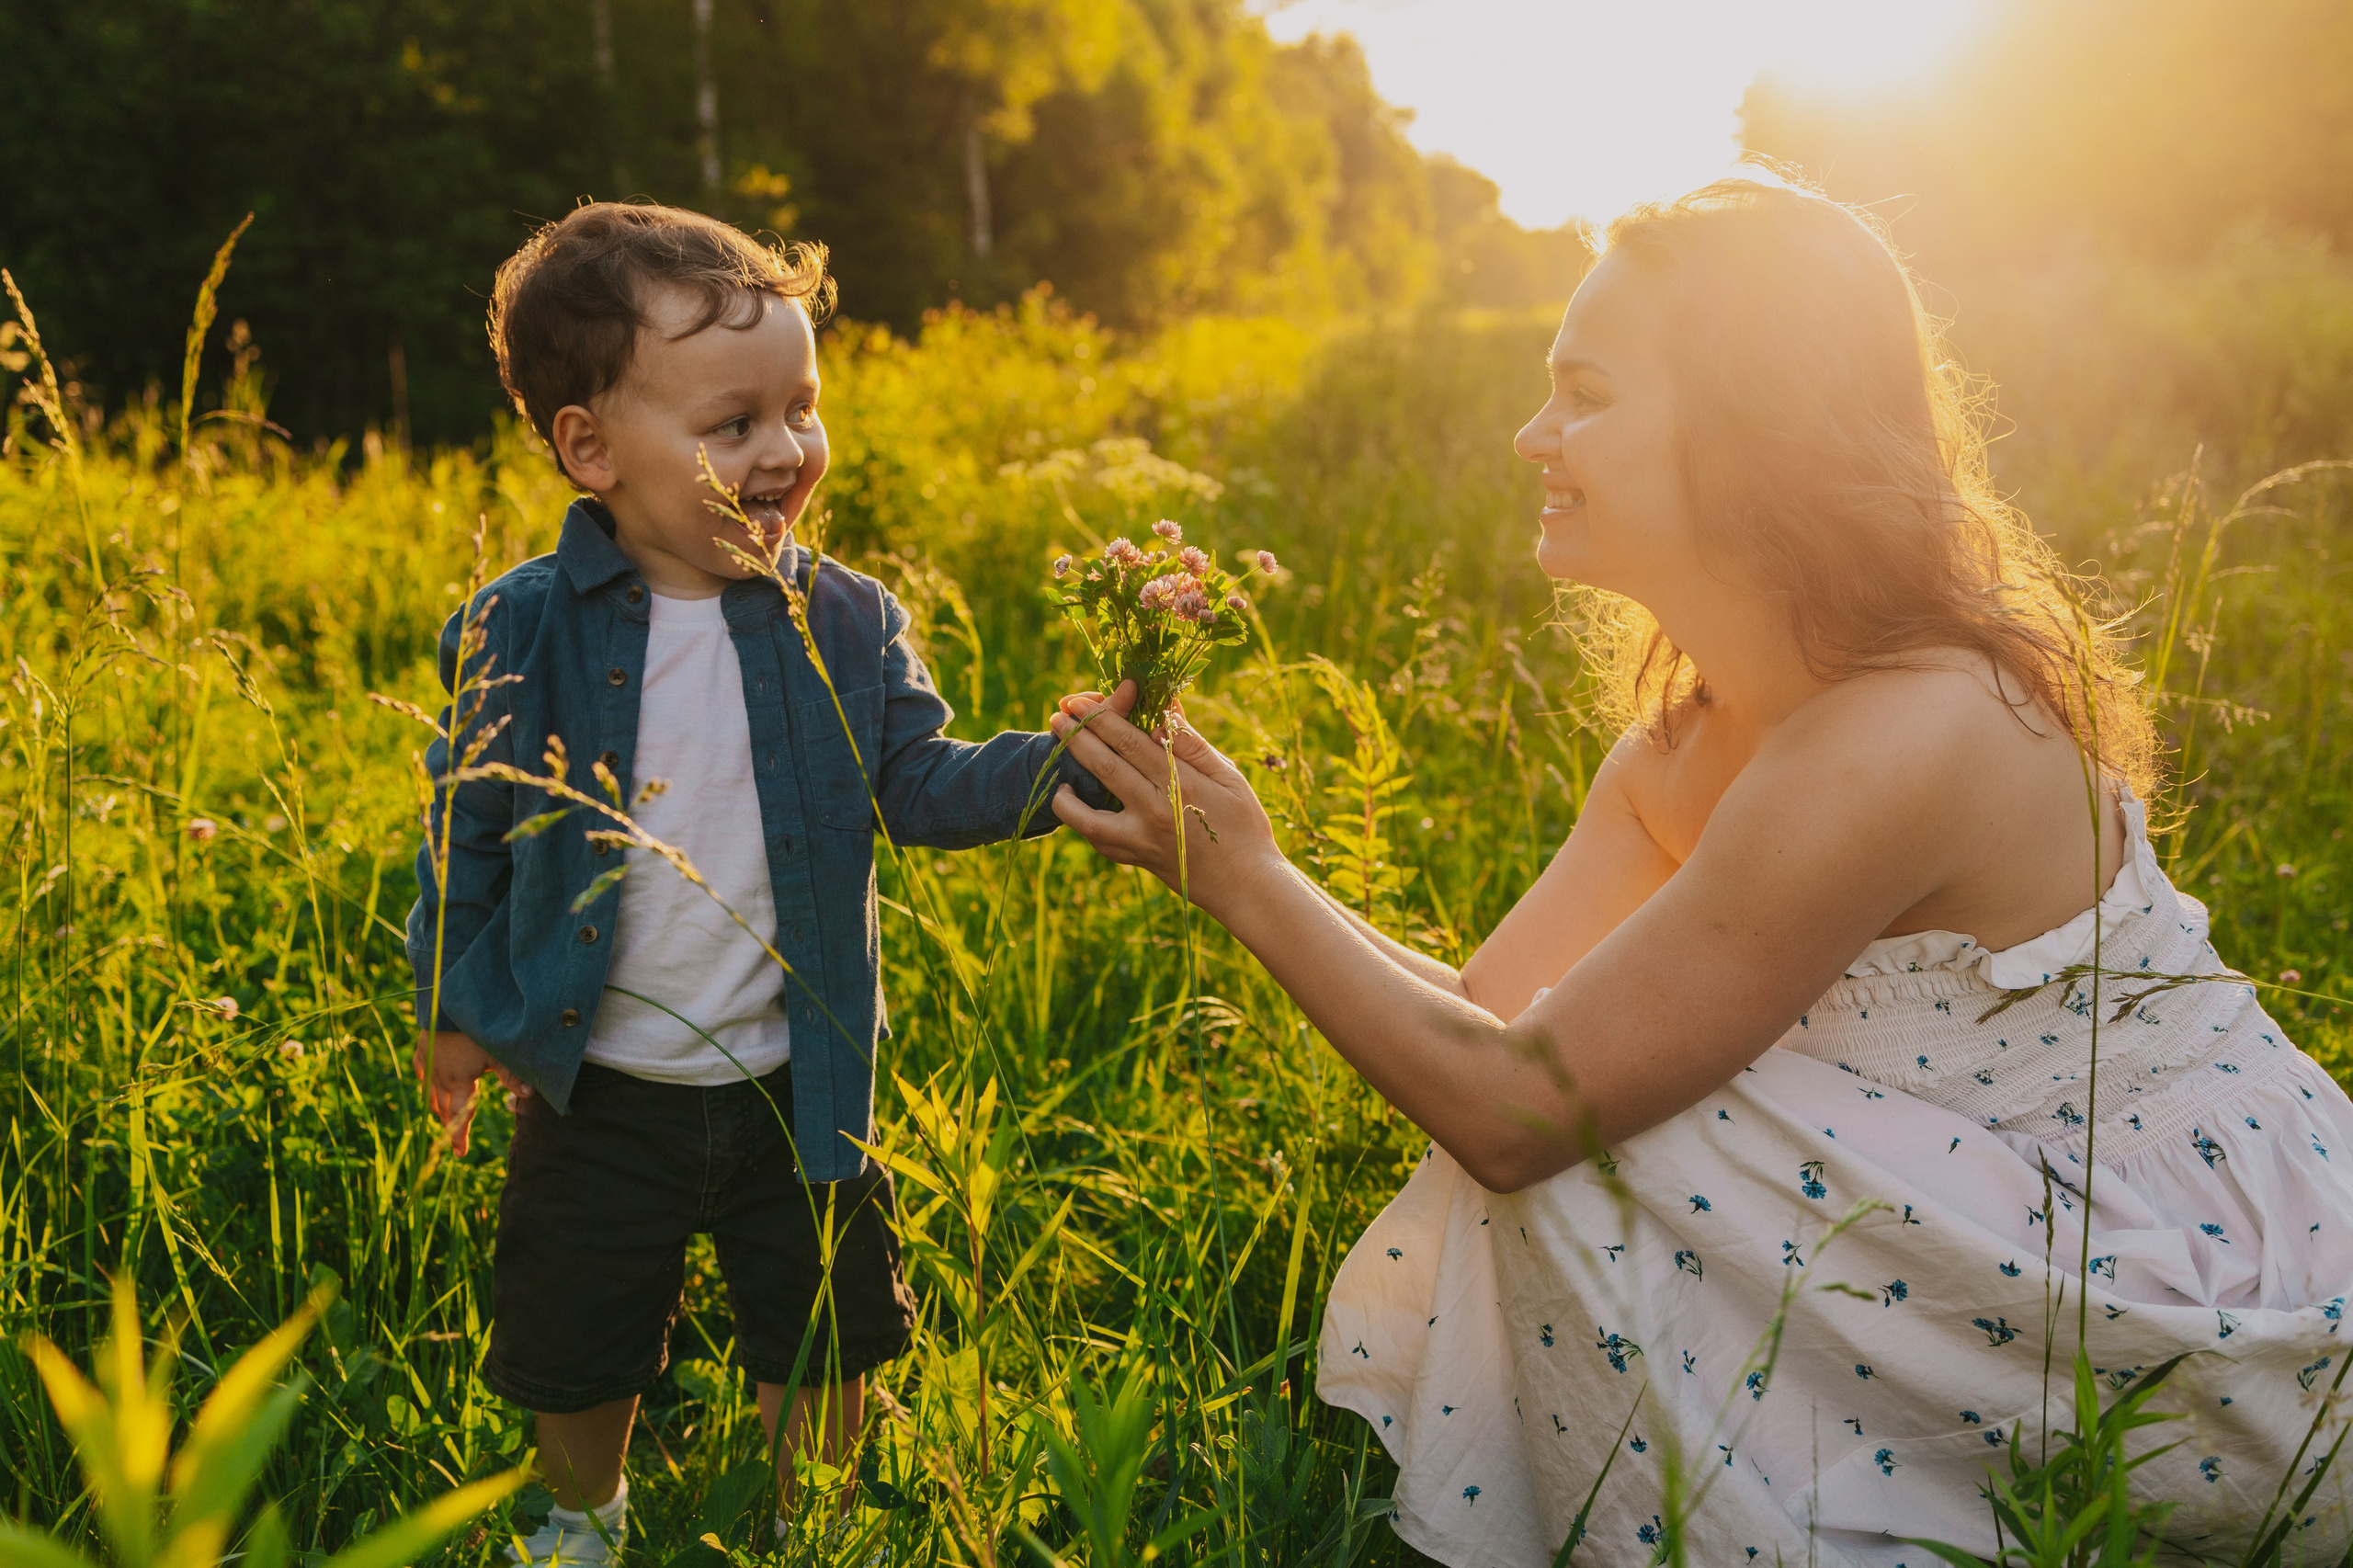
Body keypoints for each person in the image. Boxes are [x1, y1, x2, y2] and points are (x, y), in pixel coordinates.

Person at [1044, 176, 2353, 1563]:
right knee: (1602, 1101)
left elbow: (1514, 1109)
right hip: (2007, 1251)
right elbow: (1493, 1018)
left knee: (1606, 1140)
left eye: (1587, 394)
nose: (1530, 434)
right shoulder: (1684, 746)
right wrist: (1248, 852)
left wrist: (1248, 879)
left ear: (1756, 427)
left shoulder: (1907, 732)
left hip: (2215, 1309)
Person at [405, 201, 1111, 1563]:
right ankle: (584, 1513)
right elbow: (469, 826)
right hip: (597, 1083)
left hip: (802, 1082)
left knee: (830, 1327)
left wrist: (1069, 766)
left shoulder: (844, 619)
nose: (784, 450)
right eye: (733, 426)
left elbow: (921, 780)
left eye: (801, 406)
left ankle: (818, 1525)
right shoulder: (522, 625)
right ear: (591, 448)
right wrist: (451, 999)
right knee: (575, 1327)